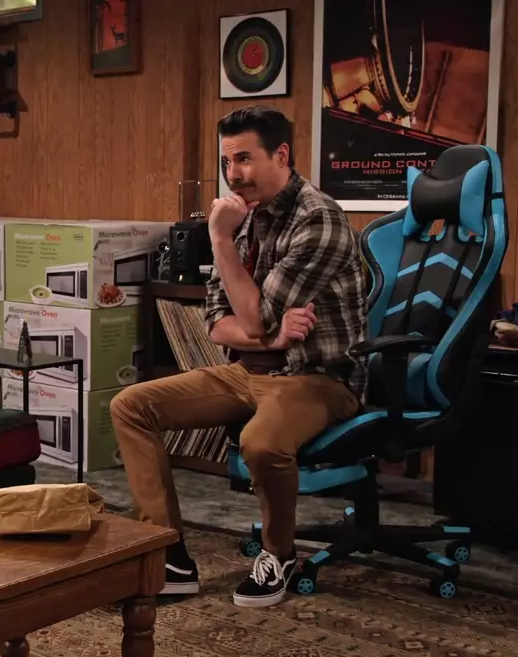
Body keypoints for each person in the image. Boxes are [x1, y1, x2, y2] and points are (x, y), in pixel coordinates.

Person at [110, 105, 367, 609]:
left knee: (260, 443)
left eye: (244, 159)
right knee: (131, 406)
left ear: (282, 155)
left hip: (317, 378)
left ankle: (280, 554)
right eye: (227, 161)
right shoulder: (245, 216)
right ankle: (168, 557)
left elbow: (249, 319)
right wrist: (271, 339)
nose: (234, 174)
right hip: (248, 370)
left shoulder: (318, 220)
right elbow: (216, 321)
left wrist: (220, 238)